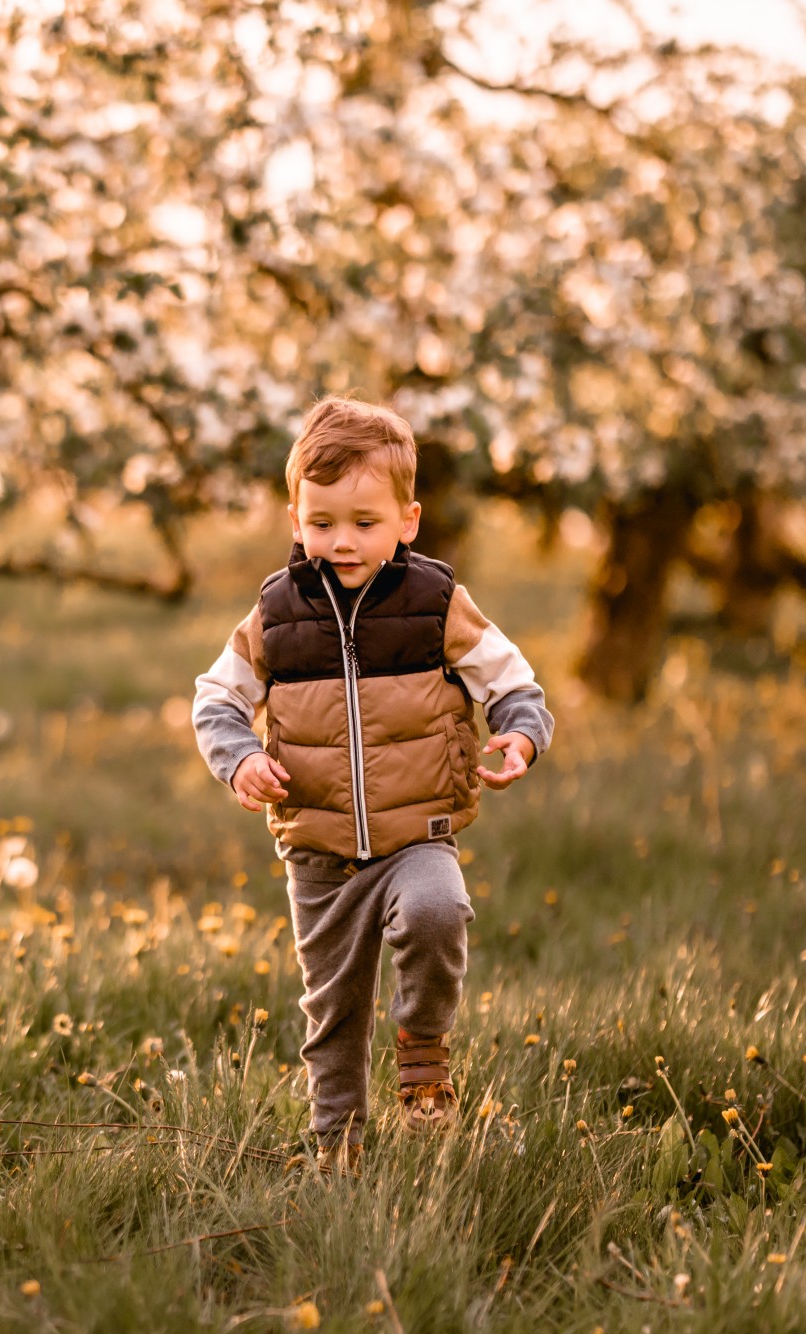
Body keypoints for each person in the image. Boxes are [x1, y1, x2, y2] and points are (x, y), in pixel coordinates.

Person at [192, 396, 554, 1174]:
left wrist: (521, 734)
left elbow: (511, 679)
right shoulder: (277, 613)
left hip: (417, 836)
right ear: (296, 520)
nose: (343, 541)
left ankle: (423, 1047)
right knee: (335, 1011)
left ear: (408, 520)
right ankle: (338, 1150)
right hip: (318, 854)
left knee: (436, 911)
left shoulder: (436, 604)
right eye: (322, 522)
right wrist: (239, 758)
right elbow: (217, 699)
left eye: (365, 521)